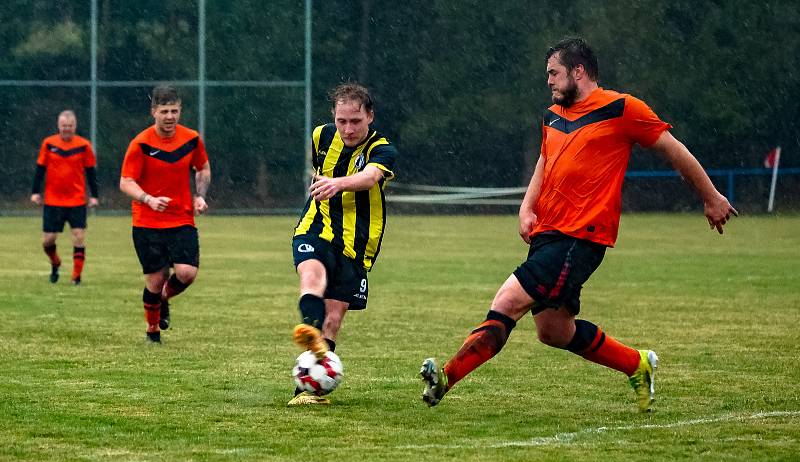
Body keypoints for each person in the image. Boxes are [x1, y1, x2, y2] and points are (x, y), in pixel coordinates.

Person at [420, 37, 737, 412]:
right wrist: (527, 206)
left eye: (554, 73)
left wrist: (711, 196)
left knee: (507, 302)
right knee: (553, 331)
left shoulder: (622, 108)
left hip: (580, 236)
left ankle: (445, 377)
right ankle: (637, 364)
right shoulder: (553, 114)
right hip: (548, 233)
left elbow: (672, 147)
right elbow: (545, 160)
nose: (549, 81)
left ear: (579, 71)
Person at [289, 82, 397, 405]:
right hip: (316, 226)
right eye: (341, 121)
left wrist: (338, 184)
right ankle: (309, 328)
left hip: (357, 241)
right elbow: (319, 170)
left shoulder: (382, 149)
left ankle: (310, 390)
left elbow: (370, 178)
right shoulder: (321, 137)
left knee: (334, 319)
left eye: (355, 121)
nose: (348, 129)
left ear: (370, 117)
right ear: (333, 118)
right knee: (312, 276)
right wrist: (327, 187)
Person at [119, 85, 211, 344]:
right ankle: (152, 332)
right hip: (147, 222)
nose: (170, 117)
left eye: (174, 111)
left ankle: (162, 300)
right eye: (164, 112)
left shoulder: (191, 138)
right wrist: (148, 198)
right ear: (154, 112)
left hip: (181, 218)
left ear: (180, 110)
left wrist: (200, 195)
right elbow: (126, 181)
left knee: (187, 273)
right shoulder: (141, 144)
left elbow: (202, 168)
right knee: (156, 278)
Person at [31, 110, 99, 284]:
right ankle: (55, 262)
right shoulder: (49, 143)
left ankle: (76, 277)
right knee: (48, 240)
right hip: (53, 200)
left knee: (78, 236)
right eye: (64, 126)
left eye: (70, 126)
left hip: (76, 200)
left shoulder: (84, 145)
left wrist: (94, 196)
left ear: (75, 126)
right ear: (58, 126)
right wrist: (35, 192)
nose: (67, 129)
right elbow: (40, 170)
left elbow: (91, 172)